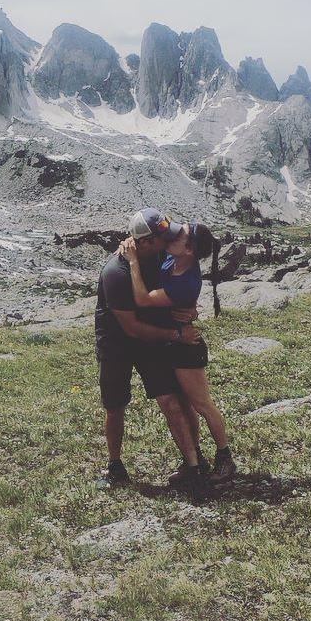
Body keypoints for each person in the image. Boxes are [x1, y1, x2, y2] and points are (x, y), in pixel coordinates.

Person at [118, 221, 237, 486]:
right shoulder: (175, 260)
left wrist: (134, 263)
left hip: (186, 349)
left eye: (178, 237)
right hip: (175, 342)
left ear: (189, 250)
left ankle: (225, 457)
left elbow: (144, 299)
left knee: (202, 404)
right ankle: (195, 460)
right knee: (186, 406)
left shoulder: (186, 281)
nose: (171, 238)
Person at [94, 208, 205, 491]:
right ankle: (116, 467)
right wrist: (177, 334)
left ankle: (194, 462)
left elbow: (182, 280)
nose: (169, 241)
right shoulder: (115, 273)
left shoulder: (160, 255)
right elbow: (131, 328)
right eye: (162, 237)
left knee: (172, 400)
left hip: (150, 339)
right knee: (115, 404)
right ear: (144, 242)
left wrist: (188, 308)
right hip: (116, 342)